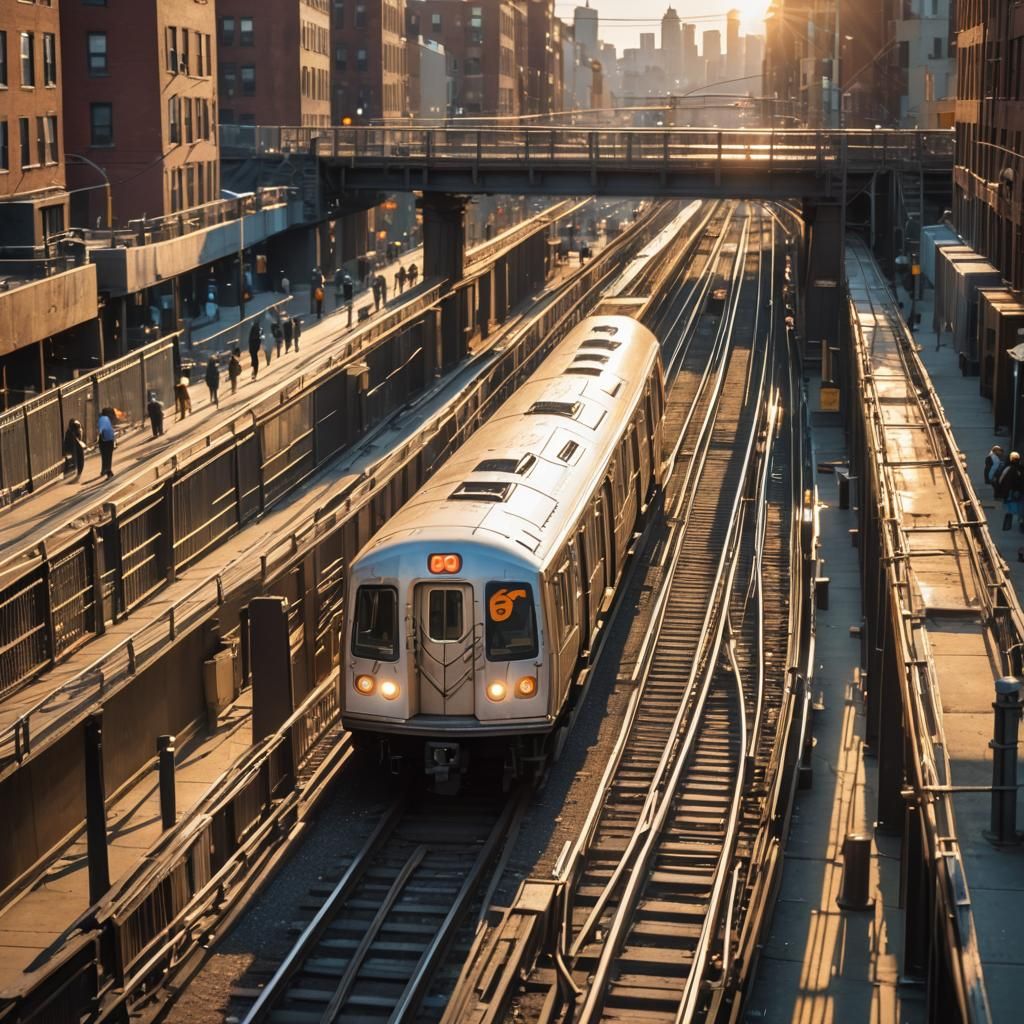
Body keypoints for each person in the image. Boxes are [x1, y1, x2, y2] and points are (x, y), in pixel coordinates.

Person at [999, 452, 1024, 530]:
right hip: (1020, 492)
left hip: (1010, 492)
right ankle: (1020, 524)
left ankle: (1008, 526)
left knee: (1010, 509)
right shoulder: (1021, 468)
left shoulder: (1007, 468)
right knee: (1020, 509)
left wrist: (1002, 492)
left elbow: (1000, 481)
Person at [97, 408, 116, 478]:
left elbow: (101, 430)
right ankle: (108, 471)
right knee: (108, 456)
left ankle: (104, 470)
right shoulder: (105, 419)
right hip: (108, 440)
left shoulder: (102, 419)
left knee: (105, 456)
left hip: (104, 440)